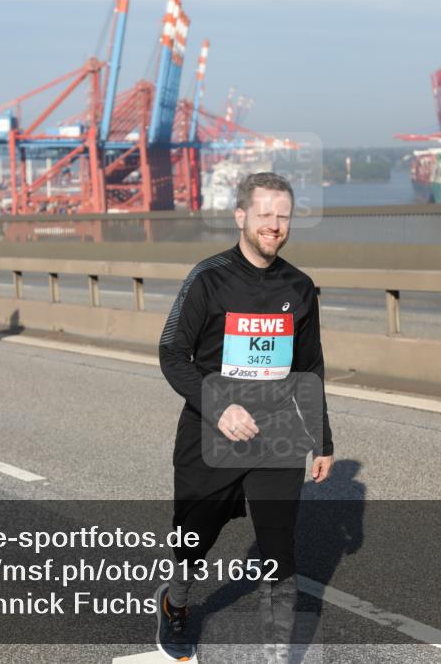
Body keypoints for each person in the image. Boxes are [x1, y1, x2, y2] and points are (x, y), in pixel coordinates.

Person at [156, 172, 334, 662]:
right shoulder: (208, 278)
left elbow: (309, 367)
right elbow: (171, 353)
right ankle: (177, 603)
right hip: (209, 431)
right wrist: (218, 404)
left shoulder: (299, 288)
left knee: (278, 552)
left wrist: (322, 439)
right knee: (194, 541)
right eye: (264, 215)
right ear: (241, 217)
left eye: (283, 216)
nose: (274, 225)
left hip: (276, 434)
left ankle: (277, 654)